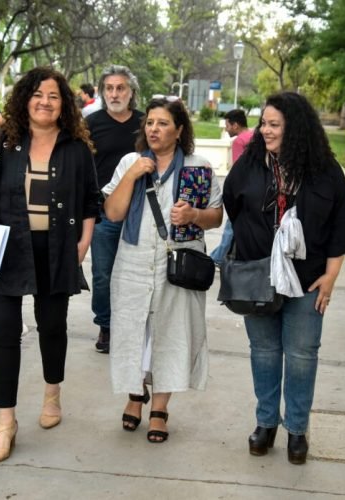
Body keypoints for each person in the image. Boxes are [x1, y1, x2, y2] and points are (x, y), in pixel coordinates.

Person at [0, 67, 99, 463]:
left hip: (55, 248)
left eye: (54, 96)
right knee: (3, 334)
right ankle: (6, 422)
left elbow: (90, 201)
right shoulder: (2, 143)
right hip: (4, 248)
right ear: (25, 99)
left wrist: (84, 242)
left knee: (52, 326)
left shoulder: (75, 148)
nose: (45, 101)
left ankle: (52, 394)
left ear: (64, 104)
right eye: (38, 94)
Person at [222, 92, 345, 465]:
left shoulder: (325, 173)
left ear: (295, 128)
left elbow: (340, 228)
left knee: (300, 356)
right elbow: (233, 207)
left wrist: (330, 277)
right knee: (263, 353)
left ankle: (297, 428)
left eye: (273, 124)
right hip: (257, 276)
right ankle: (266, 423)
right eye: (263, 123)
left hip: (308, 280)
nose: (264, 130)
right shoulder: (249, 166)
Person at [103, 98, 223, 443]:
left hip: (179, 263)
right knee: (133, 331)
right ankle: (134, 396)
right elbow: (112, 212)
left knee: (171, 333)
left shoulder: (198, 167)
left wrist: (194, 217)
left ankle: (160, 408)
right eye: (150, 123)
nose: (154, 129)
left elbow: (216, 215)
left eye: (163, 123)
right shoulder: (131, 161)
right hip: (133, 261)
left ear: (179, 130)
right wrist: (132, 175)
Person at [86, 65, 144, 354]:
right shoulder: (90, 124)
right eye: (109, 88)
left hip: (142, 211)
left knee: (139, 272)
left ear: (131, 92)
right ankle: (106, 325)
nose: (114, 93)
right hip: (103, 212)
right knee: (103, 273)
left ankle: (137, 327)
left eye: (120, 88)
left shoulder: (147, 123)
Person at [210, 109, 254, 264]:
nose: (227, 129)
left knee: (230, 226)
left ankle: (217, 258)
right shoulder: (254, 136)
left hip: (242, 191)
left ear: (235, 125)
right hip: (255, 190)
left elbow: (237, 170)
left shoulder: (239, 141)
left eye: (227, 125)